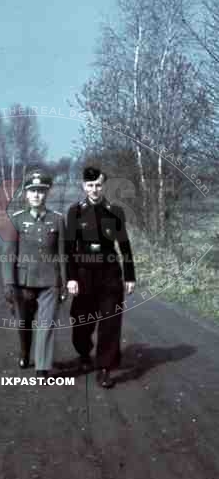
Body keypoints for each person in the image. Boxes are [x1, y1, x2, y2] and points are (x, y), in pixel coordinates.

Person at [66, 166, 136, 388]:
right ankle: (84, 354)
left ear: (104, 186)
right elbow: (69, 248)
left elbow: (124, 245)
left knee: (110, 322)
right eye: (90, 185)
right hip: (84, 274)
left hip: (109, 275)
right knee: (81, 321)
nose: (94, 189)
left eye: (98, 185)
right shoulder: (75, 211)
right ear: (83, 186)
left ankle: (105, 368)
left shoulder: (115, 211)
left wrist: (129, 276)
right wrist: (71, 278)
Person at [2, 171, 67, 378]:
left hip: (50, 281)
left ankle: (42, 367)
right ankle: (24, 351)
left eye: (41, 192)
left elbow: (63, 254)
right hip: (24, 282)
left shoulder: (57, 220)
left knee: (46, 325)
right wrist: (9, 284)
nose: (37, 196)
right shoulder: (16, 220)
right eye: (32, 192)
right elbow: (8, 254)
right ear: (26, 195)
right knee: (24, 323)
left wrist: (63, 283)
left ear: (46, 194)